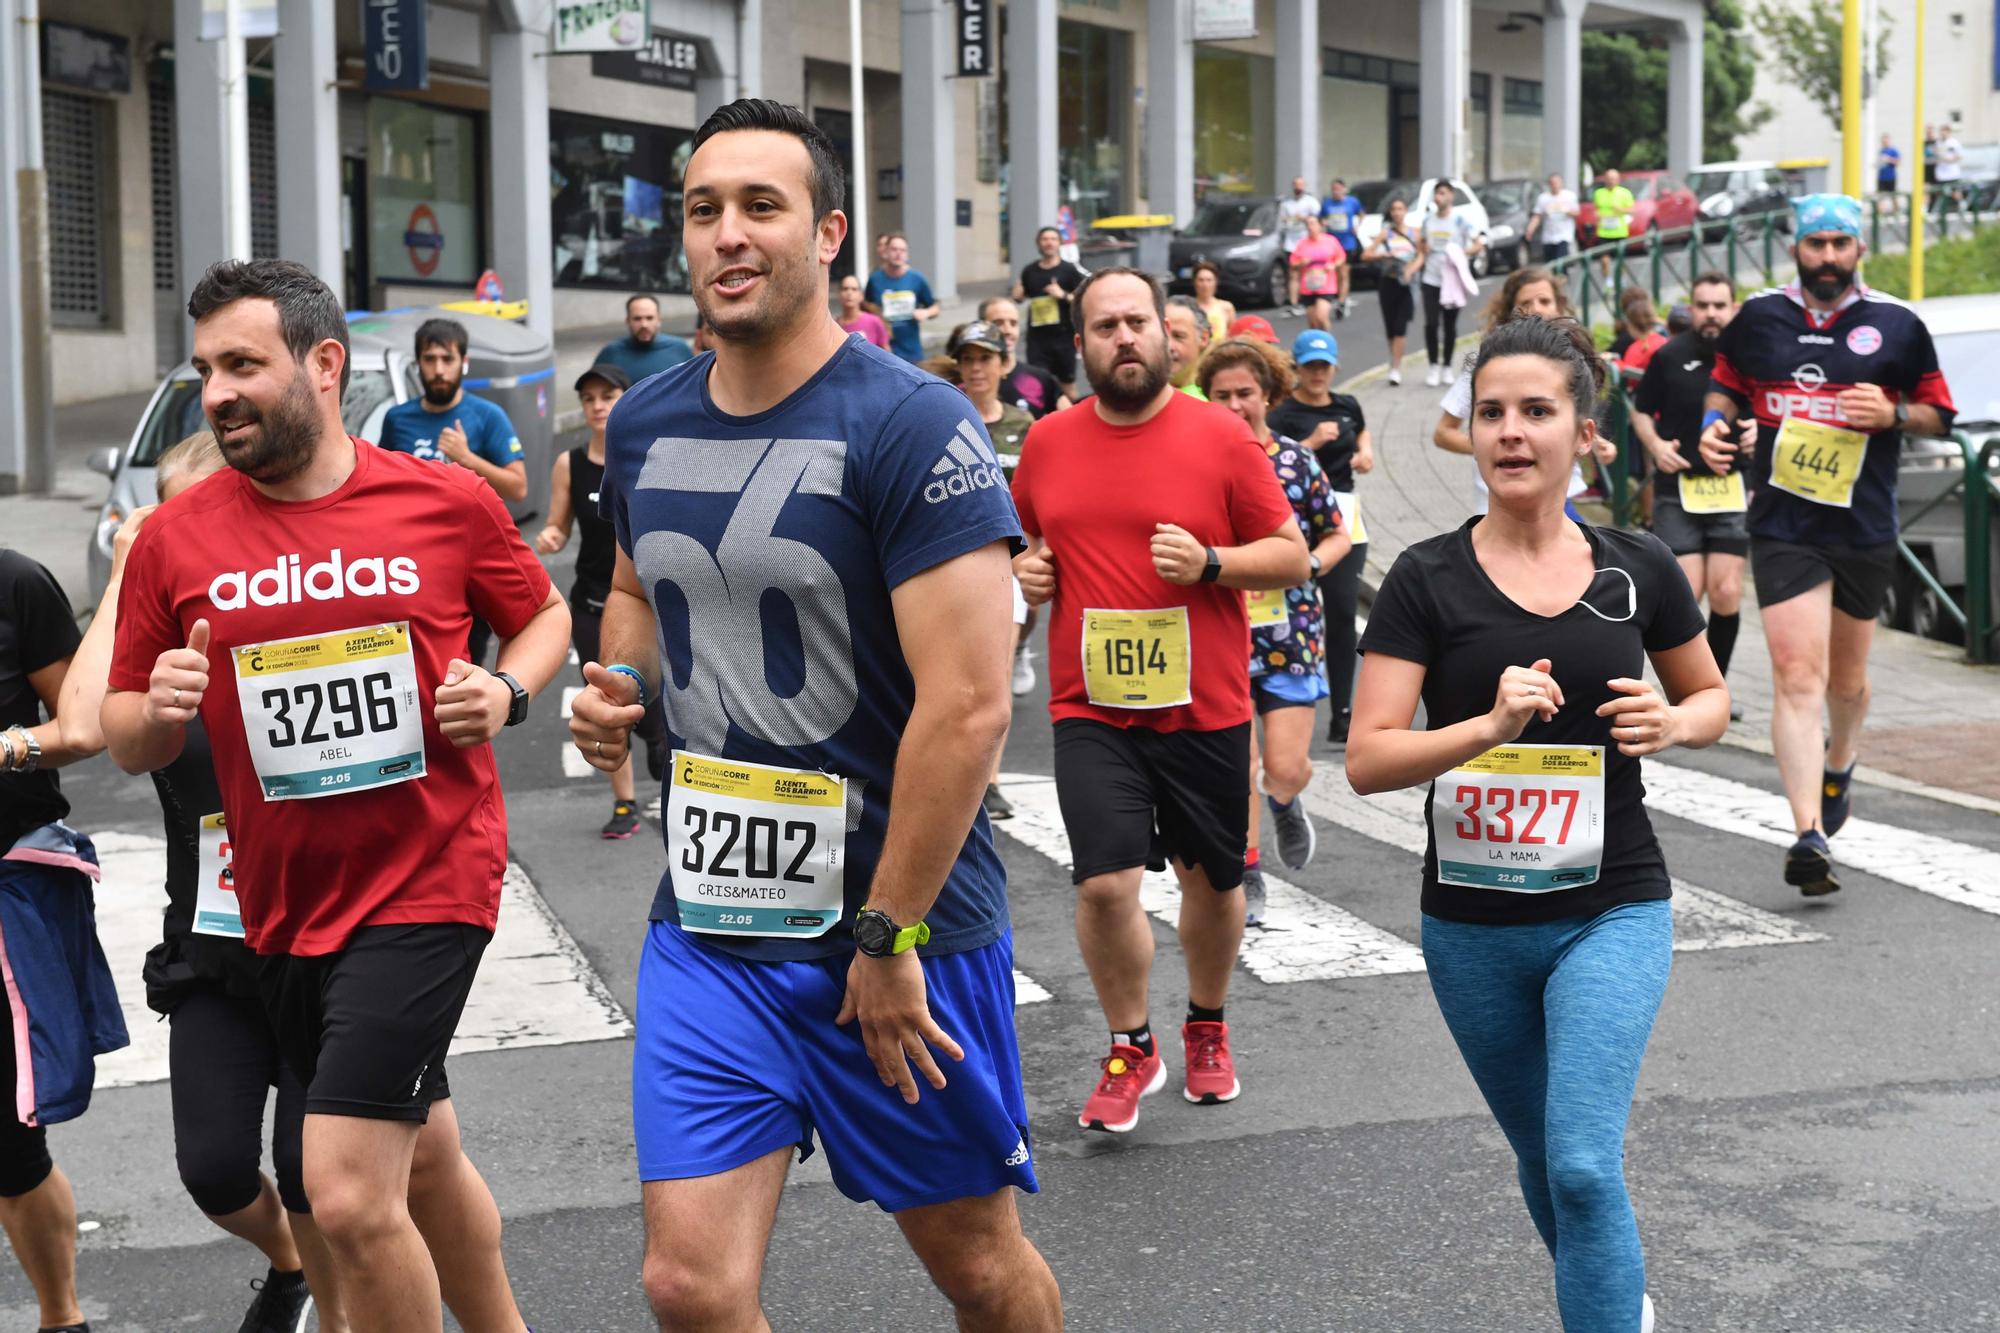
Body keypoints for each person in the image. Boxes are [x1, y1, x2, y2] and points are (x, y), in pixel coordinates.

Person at [565, 98, 1061, 1330]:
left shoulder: (911, 422)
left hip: (894, 933)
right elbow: (633, 586)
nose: (726, 234)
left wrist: (887, 938)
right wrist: (619, 688)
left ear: (829, 233)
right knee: (687, 1283)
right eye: (701, 210)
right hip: (713, 919)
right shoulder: (644, 420)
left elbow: (966, 708)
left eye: (760, 206)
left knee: (980, 1267)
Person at [104, 258, 569, 1333]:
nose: (217, 390)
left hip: (430, 878)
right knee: (428, 1150)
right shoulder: (176, 538)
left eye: (242, 365)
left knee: (350, 1194)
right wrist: (163, 706)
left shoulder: (441, 500)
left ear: (322, 366)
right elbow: (124, 736)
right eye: (205, 368)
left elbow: (540, 615)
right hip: (282, 904)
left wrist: (505, 687)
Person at [1348, 315, 1729, 1333]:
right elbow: (1368, 757)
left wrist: (1674, 717)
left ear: (1583, 431)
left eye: (1535, 411)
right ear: (1468, 434)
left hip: (1611, 906)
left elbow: (1709, 699)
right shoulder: (1424, 578)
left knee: (1579, 1163)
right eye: (1489, 413)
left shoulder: (1638, 564)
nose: (1509, 432)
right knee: (1540, 1161)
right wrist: (1484, 726)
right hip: (1469, 926)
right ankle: (1614, 1304)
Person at [1010, 266, 1309, 1133]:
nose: (1125, 338)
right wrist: (1024, 573)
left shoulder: (1220, 436)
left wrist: (1212, 563)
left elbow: (1290, 555)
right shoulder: (1049, 443)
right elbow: (1027, 546)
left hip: (1204, 707)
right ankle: (1130, 1042)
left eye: (1137, 322)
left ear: (1167, 334)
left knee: (1212, 883)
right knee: (1104, 886)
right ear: (1082, 345)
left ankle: (1208, 1023)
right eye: (1105, 327)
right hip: (1090, 707)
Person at [59, 431, 338, 1333]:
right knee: (214, 1169)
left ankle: (336, 1311)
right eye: (168, 514)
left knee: (314, 1170)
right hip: (214, 947)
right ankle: (289, 1263)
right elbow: (79, 719)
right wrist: (126, 569)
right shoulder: (162, 652)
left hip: (328, 940)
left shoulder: (301, 621)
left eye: (201, 509)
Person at [1698, 194, 1956, 896]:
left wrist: (1896, 412)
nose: (1829, 257)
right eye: (1818, 244)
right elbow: (1725, 388)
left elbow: (1940, 413)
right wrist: (1711, 426)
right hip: (1784, 523)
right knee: (1796, 674)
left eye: (1841, 243)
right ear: (1796, 250)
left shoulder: (1897, 326)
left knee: (1846, 683)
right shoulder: (1759, 318)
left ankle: (1842, 759)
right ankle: (1808, 831)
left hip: (1862, 526)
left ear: (1860, 250)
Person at [1, 542, 129, 1333]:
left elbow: (85, 727)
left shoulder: (16, 584)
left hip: (7, 888)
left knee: (11, 1145)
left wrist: (9, 747)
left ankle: (62, 1317)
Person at [1196, 338, 1350, 925]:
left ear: (1268, 395)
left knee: (1282, 765)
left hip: (1289, 634)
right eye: (1221, 395)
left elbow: (1335, 532)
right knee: (1239, 765)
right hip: (1218, 632)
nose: (1235, 405)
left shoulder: (1293, 460)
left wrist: (1307, 565)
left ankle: (1285, 799)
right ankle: (1250, 872)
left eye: (1246, 394)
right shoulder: (1196, 462)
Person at [535, 364, 669, 839]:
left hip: (644, 605)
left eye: (607, 396)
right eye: (588, 398)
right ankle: (624, 803)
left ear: (626, 400)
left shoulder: (643, 457)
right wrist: (551, 534)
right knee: (606, 701)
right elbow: (559, 523)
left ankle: (657, 739)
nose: (597, 406)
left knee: (648, 710)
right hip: (592, 603)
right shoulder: (568, 463)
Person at [377, 317, 529, 667]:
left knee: (463, 666)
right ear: (419, 365)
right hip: (409, 565)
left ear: (464, 362)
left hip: (467, 567)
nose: (439, 370)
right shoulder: (398, 418)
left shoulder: (487, 415)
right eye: (430, 360)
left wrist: (467, 458)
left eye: (447, 359)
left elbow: (518, 487)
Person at [1631, 272, 1747, 720]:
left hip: (1731, 485)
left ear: (1733, 308)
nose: (1712, 313)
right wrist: (1656, 446)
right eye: (1704, 305)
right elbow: (1640, 411)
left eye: (1720, 305)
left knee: (1728, 590)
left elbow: (1772, 412)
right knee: (1687, 592)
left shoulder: (1749, 359)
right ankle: (1685, 688)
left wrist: (1759, 432)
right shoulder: (1670, 355)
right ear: (1691, 309)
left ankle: (1714, 692)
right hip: (1679, 488)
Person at [1433, 267, 1614, 516]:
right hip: (1499, 508)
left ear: (1559, 307)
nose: (1537, 308)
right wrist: (1493, 447)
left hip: (1561, 503)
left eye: (1544, 301)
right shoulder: (1487, 368)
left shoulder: (1573, 366)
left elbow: (1569, 426)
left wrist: (1595, 444)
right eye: (1493, 413)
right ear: (1510, 313)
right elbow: (1443, 432)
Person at [1269, 330, 1373, 744]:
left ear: (1334, 367)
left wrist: (1365, 451)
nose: (1317, 374)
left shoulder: (1347, 404)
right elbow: (1271, 460)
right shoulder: (1283, 413)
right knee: (1297, 612)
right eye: (1310, 367)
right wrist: (1310, 444)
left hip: (1345, 517)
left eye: (1324, 366)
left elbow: (1361, 429)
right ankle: (1291, 702)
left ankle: (1343, 712)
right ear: (1296, 368)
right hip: (1299, 520)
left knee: (1343, 611)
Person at [1418, 180, 1483, 387]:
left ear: (1451, 197)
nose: (1439, 197)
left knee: (1449, 324)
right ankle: (1433, 366)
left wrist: (1460, 254)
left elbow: (1478, 242)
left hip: (1452, 281)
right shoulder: (1428, 220)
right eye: (1437, 193)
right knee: (1431, 323)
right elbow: (1422, 243)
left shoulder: (1459, 220)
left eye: (1443, 193)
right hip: (1431, 278)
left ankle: (1447, 366)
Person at [1011, 225, 1086, 395]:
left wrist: (1063, 295)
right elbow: (1021, 296)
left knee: (1067, 384)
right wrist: (1017, 296)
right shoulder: (1029, 271)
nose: (1049, 243)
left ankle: (1070, 418)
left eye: (1053, 239)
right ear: (1039, 243)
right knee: (1037, 383)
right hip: (1037, 339)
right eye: (1045, 239)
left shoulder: (1069, 270)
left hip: (1064, 337)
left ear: (1059, 243)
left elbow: (1082, 299)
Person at [1360, 195, 1423, 385]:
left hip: (1407, 284)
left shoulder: (1415, 233)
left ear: (1405, 212)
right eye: (1394, 209)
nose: (1397, 213)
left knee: (1400, 327)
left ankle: (1395, 367)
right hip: (1389, 282)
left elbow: (1421, 256)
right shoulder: (1385, 234)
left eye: (1400, 209)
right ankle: (1394, 358)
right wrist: (1383, 254)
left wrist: (1411, 269)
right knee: (1390, 327)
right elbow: (1366, 255)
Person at [979, 296, 1071, 420]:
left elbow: (1072, 421)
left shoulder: (1040, 379)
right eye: (998, 323)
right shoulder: (969, 383)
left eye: (1013, 323)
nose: (1008, 330)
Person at [864, 232, 941, 363]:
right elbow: (865, 306)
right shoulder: (875, 279)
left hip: (912, 352)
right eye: (894, 249)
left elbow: (936, 308)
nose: (898, 253)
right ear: (885, 252)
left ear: (907, 254)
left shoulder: (917, 279)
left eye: (903, 250)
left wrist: (926, 312)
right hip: (883, 350)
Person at [594, 293, 695, 383]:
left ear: (659, 320)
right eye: (637, 319)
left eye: (649, 318)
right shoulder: (610, 353)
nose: (644, 325)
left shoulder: (679, 349)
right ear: (627, 321)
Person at [1290, 214, 1346, 332]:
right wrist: (1302, 263)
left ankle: (1327, 343)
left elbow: (1341, 257)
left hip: (1326, 286)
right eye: (1308, 225)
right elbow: (1293, 264)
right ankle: (1316, 344)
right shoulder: (1302, 244)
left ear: (1320, 225)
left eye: (1313, 224)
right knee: (1313, 322)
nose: (1310, 227)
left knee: (1321, 316)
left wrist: (1333, 265)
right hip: (1308, 287)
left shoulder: (1330, 241)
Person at [1320, 179, 1365, 318]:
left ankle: (1342, 301)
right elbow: (1321, 219)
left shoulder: (1352, 202)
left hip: (1347, 242)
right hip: (1332, 243)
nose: (1336, 191)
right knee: (1335, 272)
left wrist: (1357, 226)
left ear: (1344, 190)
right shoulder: (1327, 203)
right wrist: (1324, 223)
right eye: (1334, 189)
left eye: (1339, 189)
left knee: (1343, 272)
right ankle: (1338, 296)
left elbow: (1362, 214)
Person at [1278, 176, 1322, 314]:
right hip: (1291, 243)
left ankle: (1310, 300)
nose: (1298, 188)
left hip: (1306, 242)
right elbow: (1282, 221)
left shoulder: (1311, 202)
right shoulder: (1286, 204)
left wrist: (1303, 218)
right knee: (1293, 273)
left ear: (1304, 186)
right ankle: (1294, 302)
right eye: (1296, 185)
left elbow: (1317, 220)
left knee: (1309, 272)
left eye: (1300, 185)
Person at [1592, 169, 1636, 281]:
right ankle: (1608, 283)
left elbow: (1632, 210)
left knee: (1620, 260)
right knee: (1604, 260)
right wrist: (1597, 216)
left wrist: (1620, 209)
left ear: (1618, 180)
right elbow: (1596, 210)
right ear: (1605, 179)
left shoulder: (1624, 192)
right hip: (1604, 232)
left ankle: (1622, 281)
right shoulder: (1599, 193)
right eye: (1609, 178)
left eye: (1613, 179)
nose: (1611, 181)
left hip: (1619, 231)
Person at [1165, 296, 1212, 398]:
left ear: (1203, 338)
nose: (1168, 346)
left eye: (1178, 336)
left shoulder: (1218, 396)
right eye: (1163, 336)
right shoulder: (1143, 398)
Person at [1528, 173, 1580, 264]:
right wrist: (1530, 229)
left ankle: (1563, 277)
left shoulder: (1569, 196)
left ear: (1561, 183)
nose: (1555, 185)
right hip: (1549, 236)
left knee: (1561, 262)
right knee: (1551, 264)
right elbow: (1537, 215)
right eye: (1552, 183)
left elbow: (1577, 212)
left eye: (1557, 183)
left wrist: (1566, 211)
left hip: (1564, 234)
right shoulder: (1543, 198)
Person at [835, 273, 890, 349]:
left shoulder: (874, 321)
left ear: (861, 296)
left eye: (854, 289)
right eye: (845, 289)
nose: (849, 293)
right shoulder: (834, 325)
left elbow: (886, 355)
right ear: (839, 294)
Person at [1616, 294, 1667, 374]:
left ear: (1631, 325)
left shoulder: (1634, 350)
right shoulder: (1664, 341)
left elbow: (1629, 375)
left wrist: (1614, 362)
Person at [1190, 263, 1237, 348]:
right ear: (1194, 282)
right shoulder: (1188, 308)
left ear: (1215, 282)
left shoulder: (1226, 307)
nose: (1205, 285)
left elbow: (1233, 337)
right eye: (1201, 280)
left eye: (1209, 280)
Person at [1877, 134, 1900, 198]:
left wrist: (1888, 159)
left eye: (1886, 141)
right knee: (1880, 197)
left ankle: (1896, 208)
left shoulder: (1893, 151)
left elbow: (1897, 162)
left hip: (1890, 177)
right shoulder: (1881, 151)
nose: (1884, 143)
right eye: (1883, 141)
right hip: (1881, 177)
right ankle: (1880, 208)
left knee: (1893, 197)